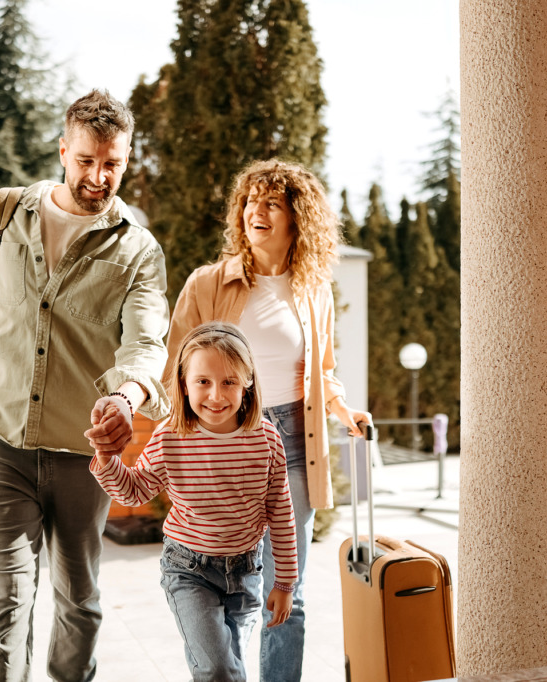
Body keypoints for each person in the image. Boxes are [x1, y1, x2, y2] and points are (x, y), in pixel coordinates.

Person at [0, 89, 170, 682]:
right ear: (64, 150)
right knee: (8, 595)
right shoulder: (4, 215)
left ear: (127, 157)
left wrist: (127, 396)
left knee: (79, 599)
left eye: (112, 163)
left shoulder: (138, 251)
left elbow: (146, 342)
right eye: (87, 160)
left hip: (83, 452)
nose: (98, 176)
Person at [166, 159, 373, 681]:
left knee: (289, 588)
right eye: (250, 201)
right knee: (233, 583)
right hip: (226, 437)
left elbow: (321, 370)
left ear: (296, 218)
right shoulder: (209, 284)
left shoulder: (313, 290)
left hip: (294, 444)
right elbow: (176, 367)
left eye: (271, 202)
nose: (256, 210)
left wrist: (342, 408)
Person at [91, 321, 298, 682]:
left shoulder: (266, 439)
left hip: (247, 573)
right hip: (189, 571)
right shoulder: (170, 436)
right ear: (184, 384)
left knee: (228, 668)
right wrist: (107, 458)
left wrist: (285, 583)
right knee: (220, 670)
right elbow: (133, 491)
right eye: (203, 381)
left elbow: (281, 513)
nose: (216, 395)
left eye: (229, 381)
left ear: (248, 382)